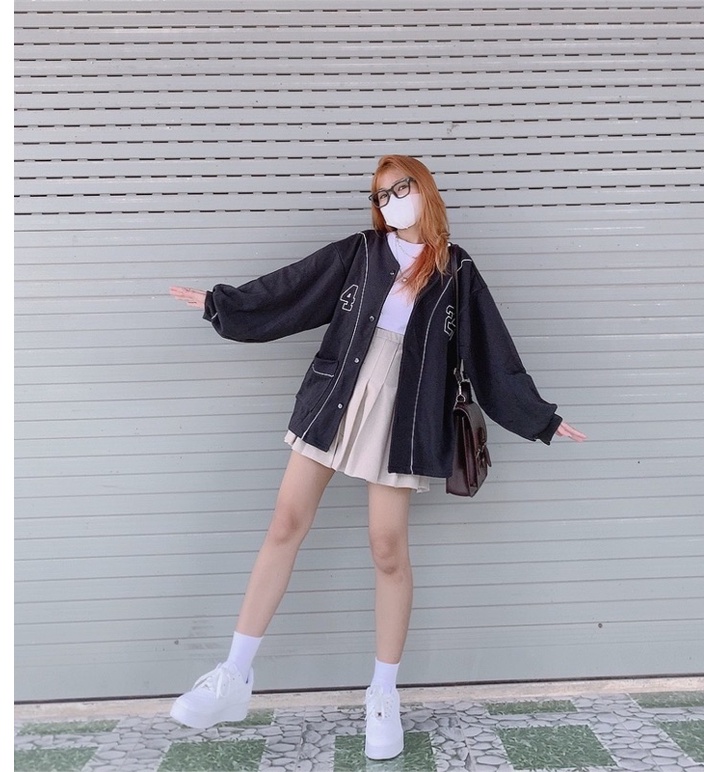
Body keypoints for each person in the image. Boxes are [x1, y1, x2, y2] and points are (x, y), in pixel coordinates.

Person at [168, 154, 586, 760]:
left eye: (399, 189)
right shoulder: (361, 252)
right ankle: (234, 675)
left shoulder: (457, 269)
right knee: (285, 523)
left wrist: (538, 416)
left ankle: (383, 693)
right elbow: (293, 289)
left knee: (387, 548)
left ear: (425, 189)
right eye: (380, 195)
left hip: (405, 413)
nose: (389, 203)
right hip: (335, 398)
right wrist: (222, 303)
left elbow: (490, 349)